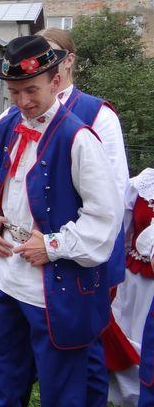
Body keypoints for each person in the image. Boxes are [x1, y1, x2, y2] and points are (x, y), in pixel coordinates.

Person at [0, 35, 122, 406]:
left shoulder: (79, 138)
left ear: (55, 81)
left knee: (62, 393)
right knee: (0, 384)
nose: (23, 101)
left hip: (53, 291)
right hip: (3, 278)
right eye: (14, 92)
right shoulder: (7, 126)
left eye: (31, 90)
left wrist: (53, 245)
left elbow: (105, 218)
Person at [38, 27, 130, 406]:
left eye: (52, 54)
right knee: (50, 341)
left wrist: (72, 242)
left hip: (85, 252)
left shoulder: (98, 114)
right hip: (38, 251)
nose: (44, 62)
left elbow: (115, 191)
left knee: (87, 344)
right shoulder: (25, 109)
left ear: (70, 60)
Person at [107, 169, 154, 405]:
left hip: (151, 288)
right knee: (124, 334)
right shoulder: (141, 185)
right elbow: (122, 230)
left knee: (147, 339)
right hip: (132, 278)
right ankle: (121, 391)